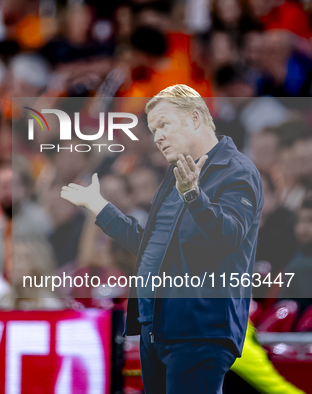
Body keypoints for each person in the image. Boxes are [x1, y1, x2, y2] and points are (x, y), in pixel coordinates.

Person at [61, 84, 264, 394]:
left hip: (200, 330)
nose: (157, 137)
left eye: (164, 124)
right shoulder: (175, 176)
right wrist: (101, 208)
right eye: (154, 129)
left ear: (195, 119)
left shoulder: (236, 171)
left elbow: (229, 238)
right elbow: (148, 247)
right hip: (155, 328)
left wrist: (194, 197)